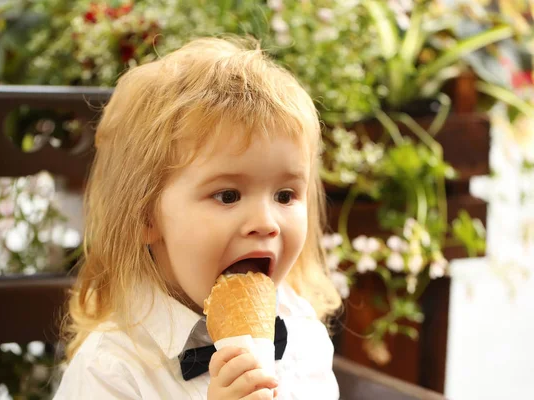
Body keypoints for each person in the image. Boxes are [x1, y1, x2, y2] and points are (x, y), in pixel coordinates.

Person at [54, 36, 341, 400]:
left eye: (285, 195)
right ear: (145, 214)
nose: (266, 222)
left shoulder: (303, 333)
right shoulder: (111, 369)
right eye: (228, 195)